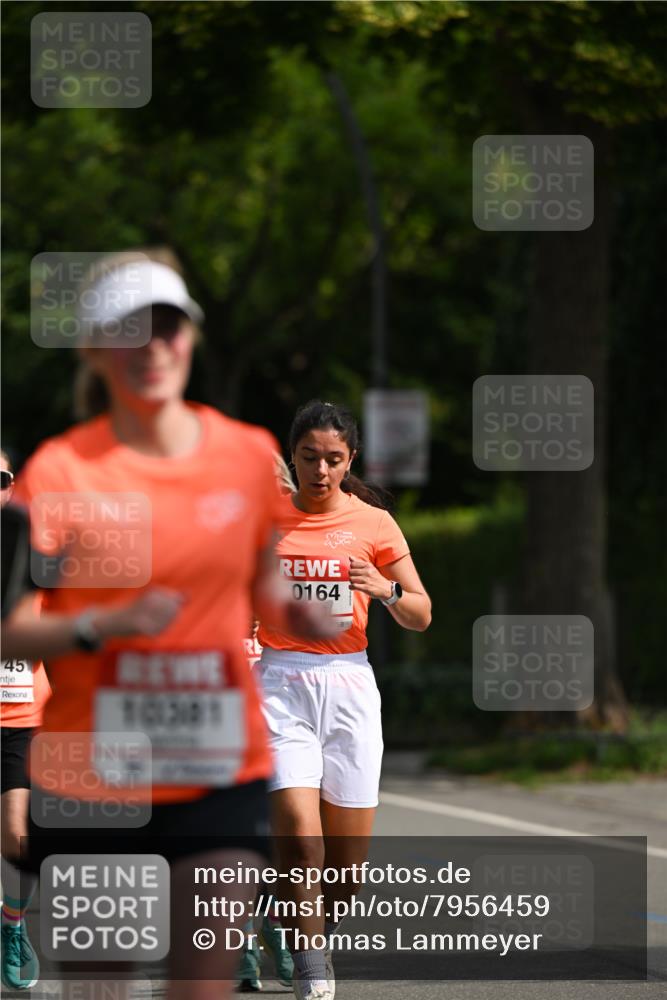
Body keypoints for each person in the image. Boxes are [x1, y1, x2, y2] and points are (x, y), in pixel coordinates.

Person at [12, 248, 312, 1000]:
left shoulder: (247, 456)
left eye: (168, 325)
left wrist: (295, 608)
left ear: (191, 338)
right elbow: (11, 630)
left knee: (201, 986)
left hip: (217, 767)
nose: (152, 345)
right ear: (94, 349)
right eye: (128, 329)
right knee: (101, 988)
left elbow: (267, 586)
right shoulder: (59, 470)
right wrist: (100, 625)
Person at [256, 400, 432, 1000]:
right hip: (280, 682)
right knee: (302, 838)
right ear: (293, 457)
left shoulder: (374, 522)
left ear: (350, 459)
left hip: (350, 684)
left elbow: (422, 613)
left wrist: (385, 589)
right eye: (309, 458)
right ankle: (312, 971)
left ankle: (306, 933)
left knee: (347, 870)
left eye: (334, 459)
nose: (322, 470)